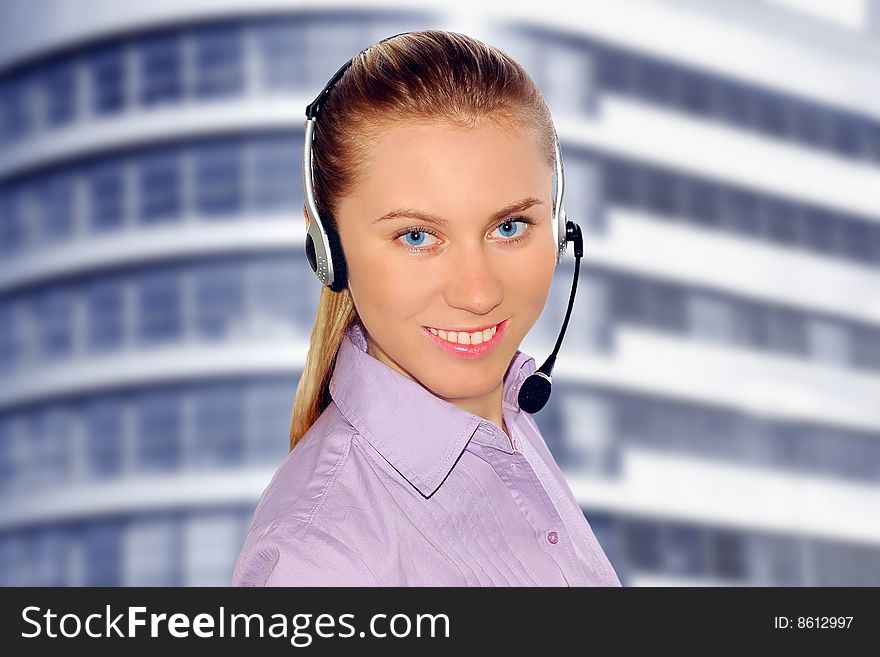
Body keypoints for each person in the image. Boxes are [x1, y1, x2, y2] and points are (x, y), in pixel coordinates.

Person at [231, 30, 621, 586]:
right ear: (328, 248)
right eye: (417, 237)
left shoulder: (507, 418)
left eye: (510, 227)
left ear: (556, 225)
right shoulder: (321, 559)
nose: (478, 293)